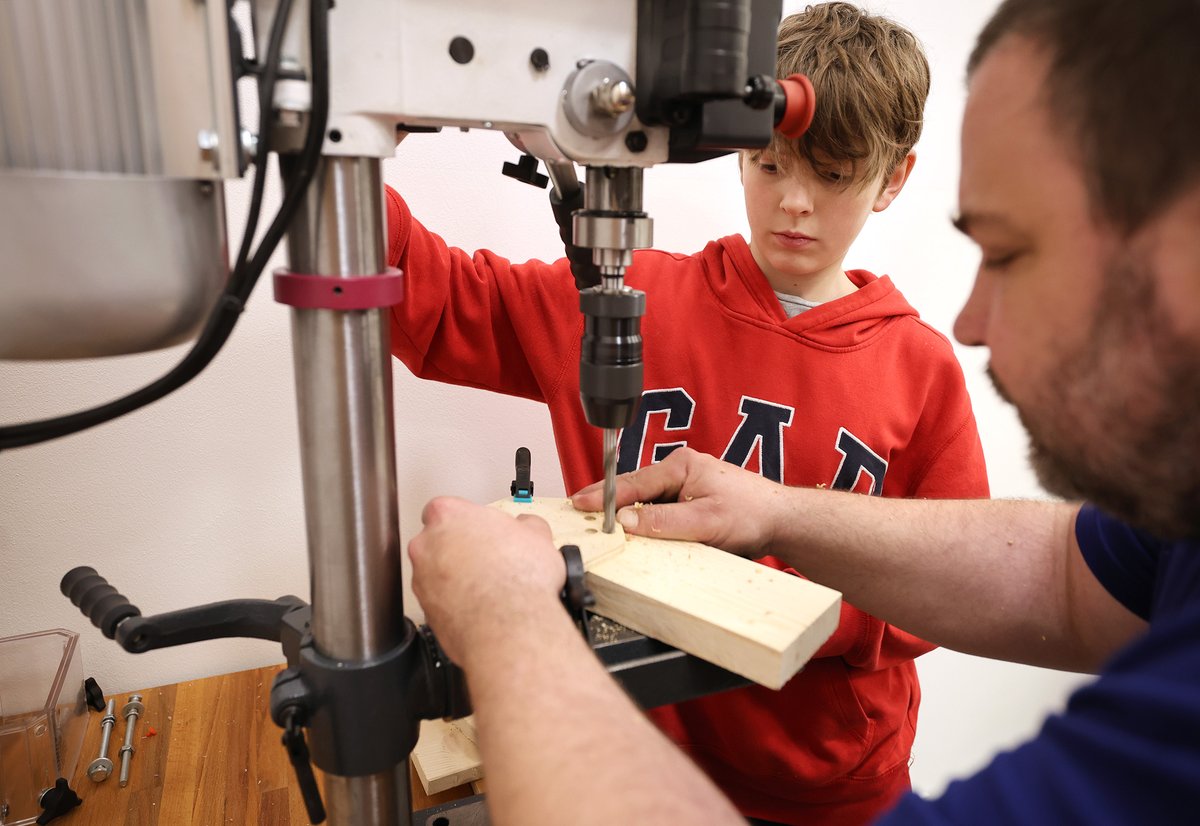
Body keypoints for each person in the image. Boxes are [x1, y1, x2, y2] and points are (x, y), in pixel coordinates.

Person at [408, 0, 1200, 823]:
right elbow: (434, 296)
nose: (795, 203)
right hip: (636, 744)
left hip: (830, 787)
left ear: (894, 177)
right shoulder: (624, 295)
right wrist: (346, 138)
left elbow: (933, 606)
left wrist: (788, 607)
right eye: (773, 165)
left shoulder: (919, 367)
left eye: (833, 174)